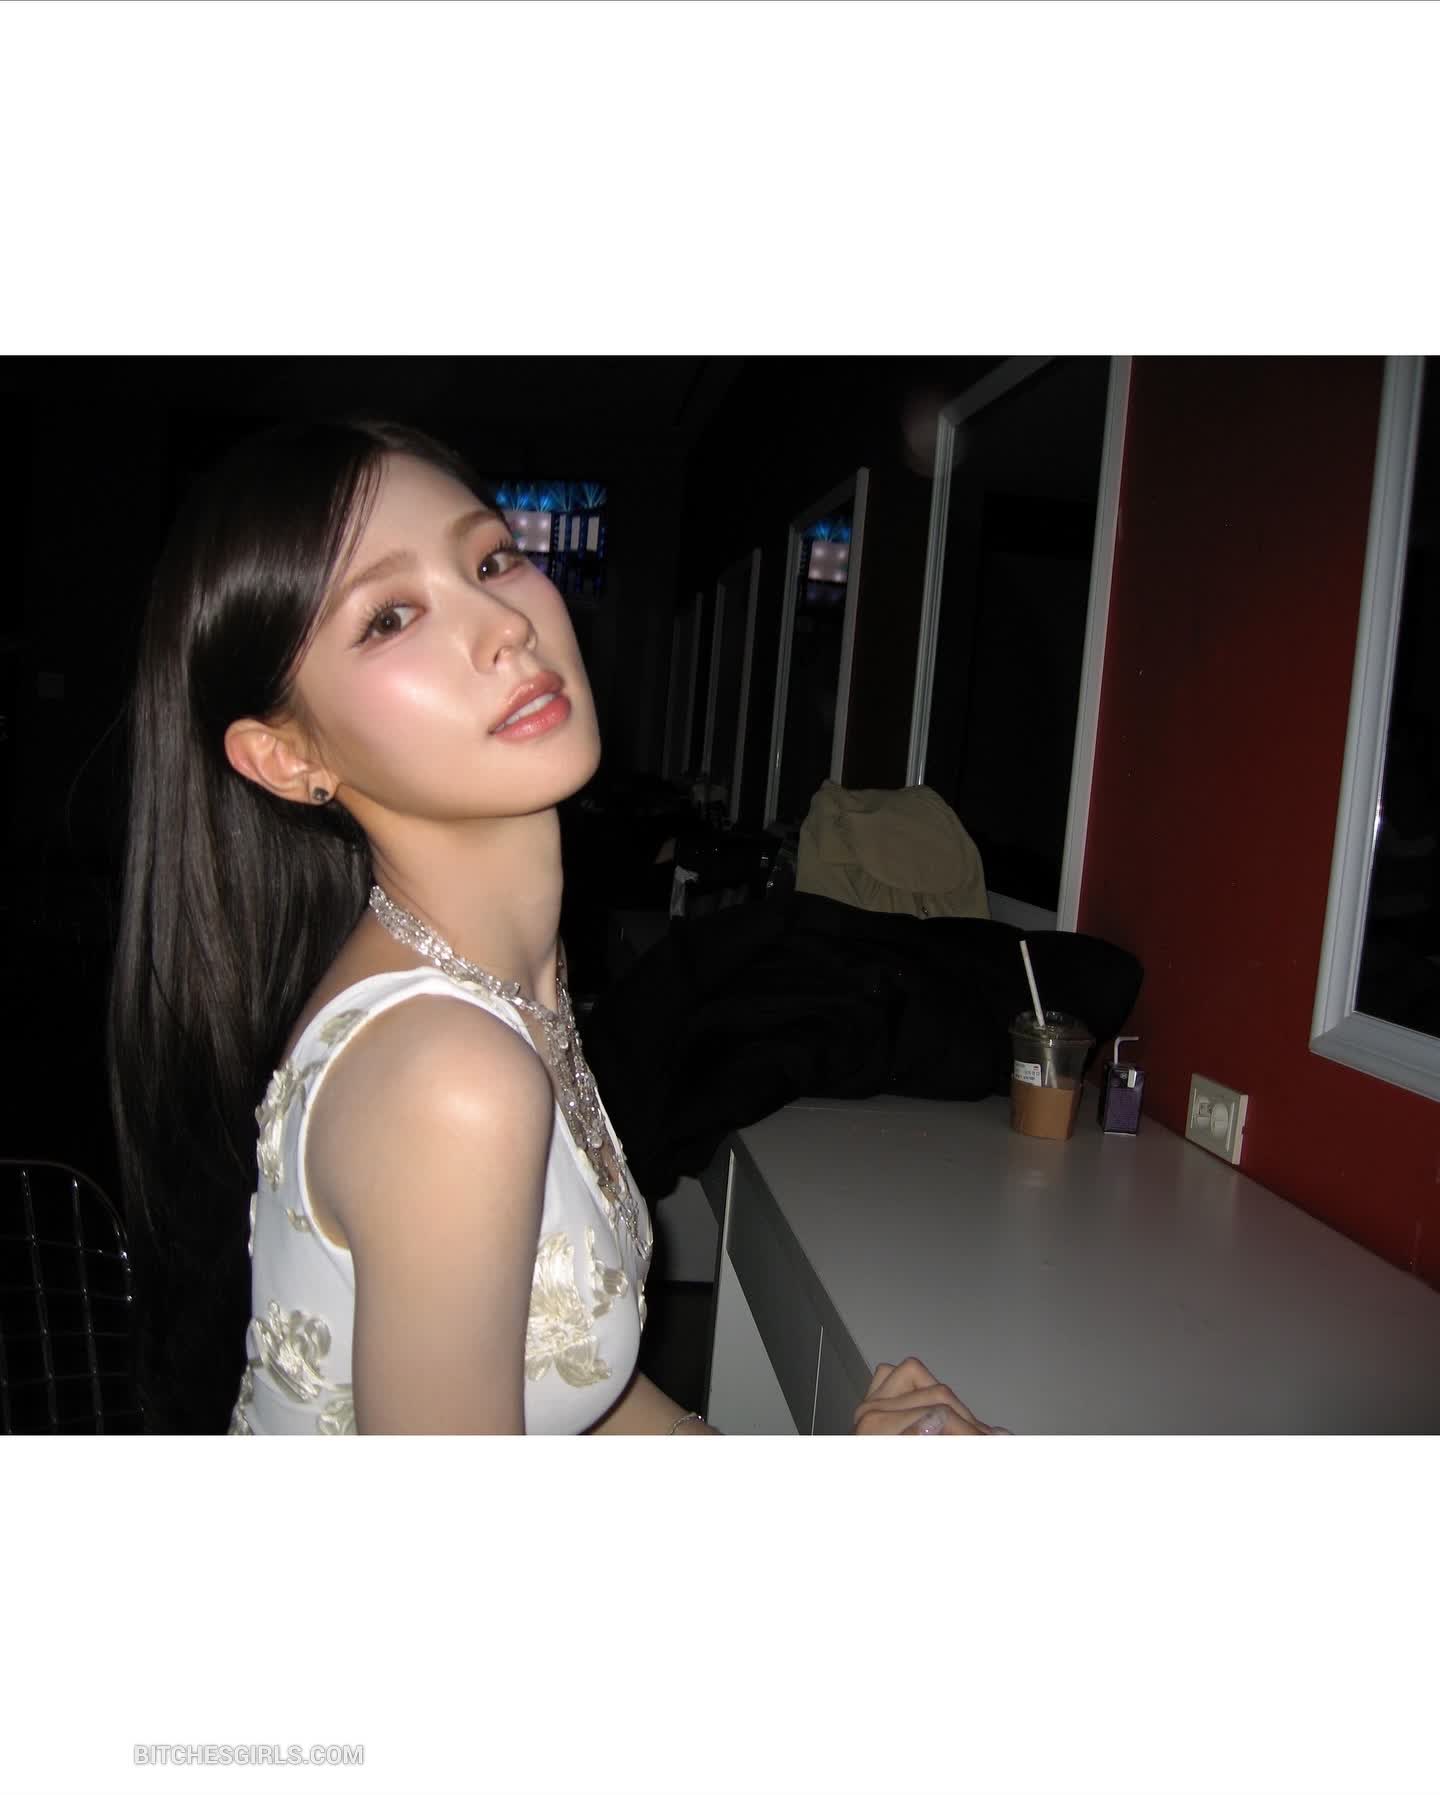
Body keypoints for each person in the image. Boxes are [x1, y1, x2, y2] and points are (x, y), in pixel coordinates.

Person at [108, 416, 999, 1436]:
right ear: (287, 757)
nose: (504, 623)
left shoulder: (498, 984)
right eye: (390, 617)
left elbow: (571, 1374)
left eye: (492, 559)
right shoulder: (451, 1075)